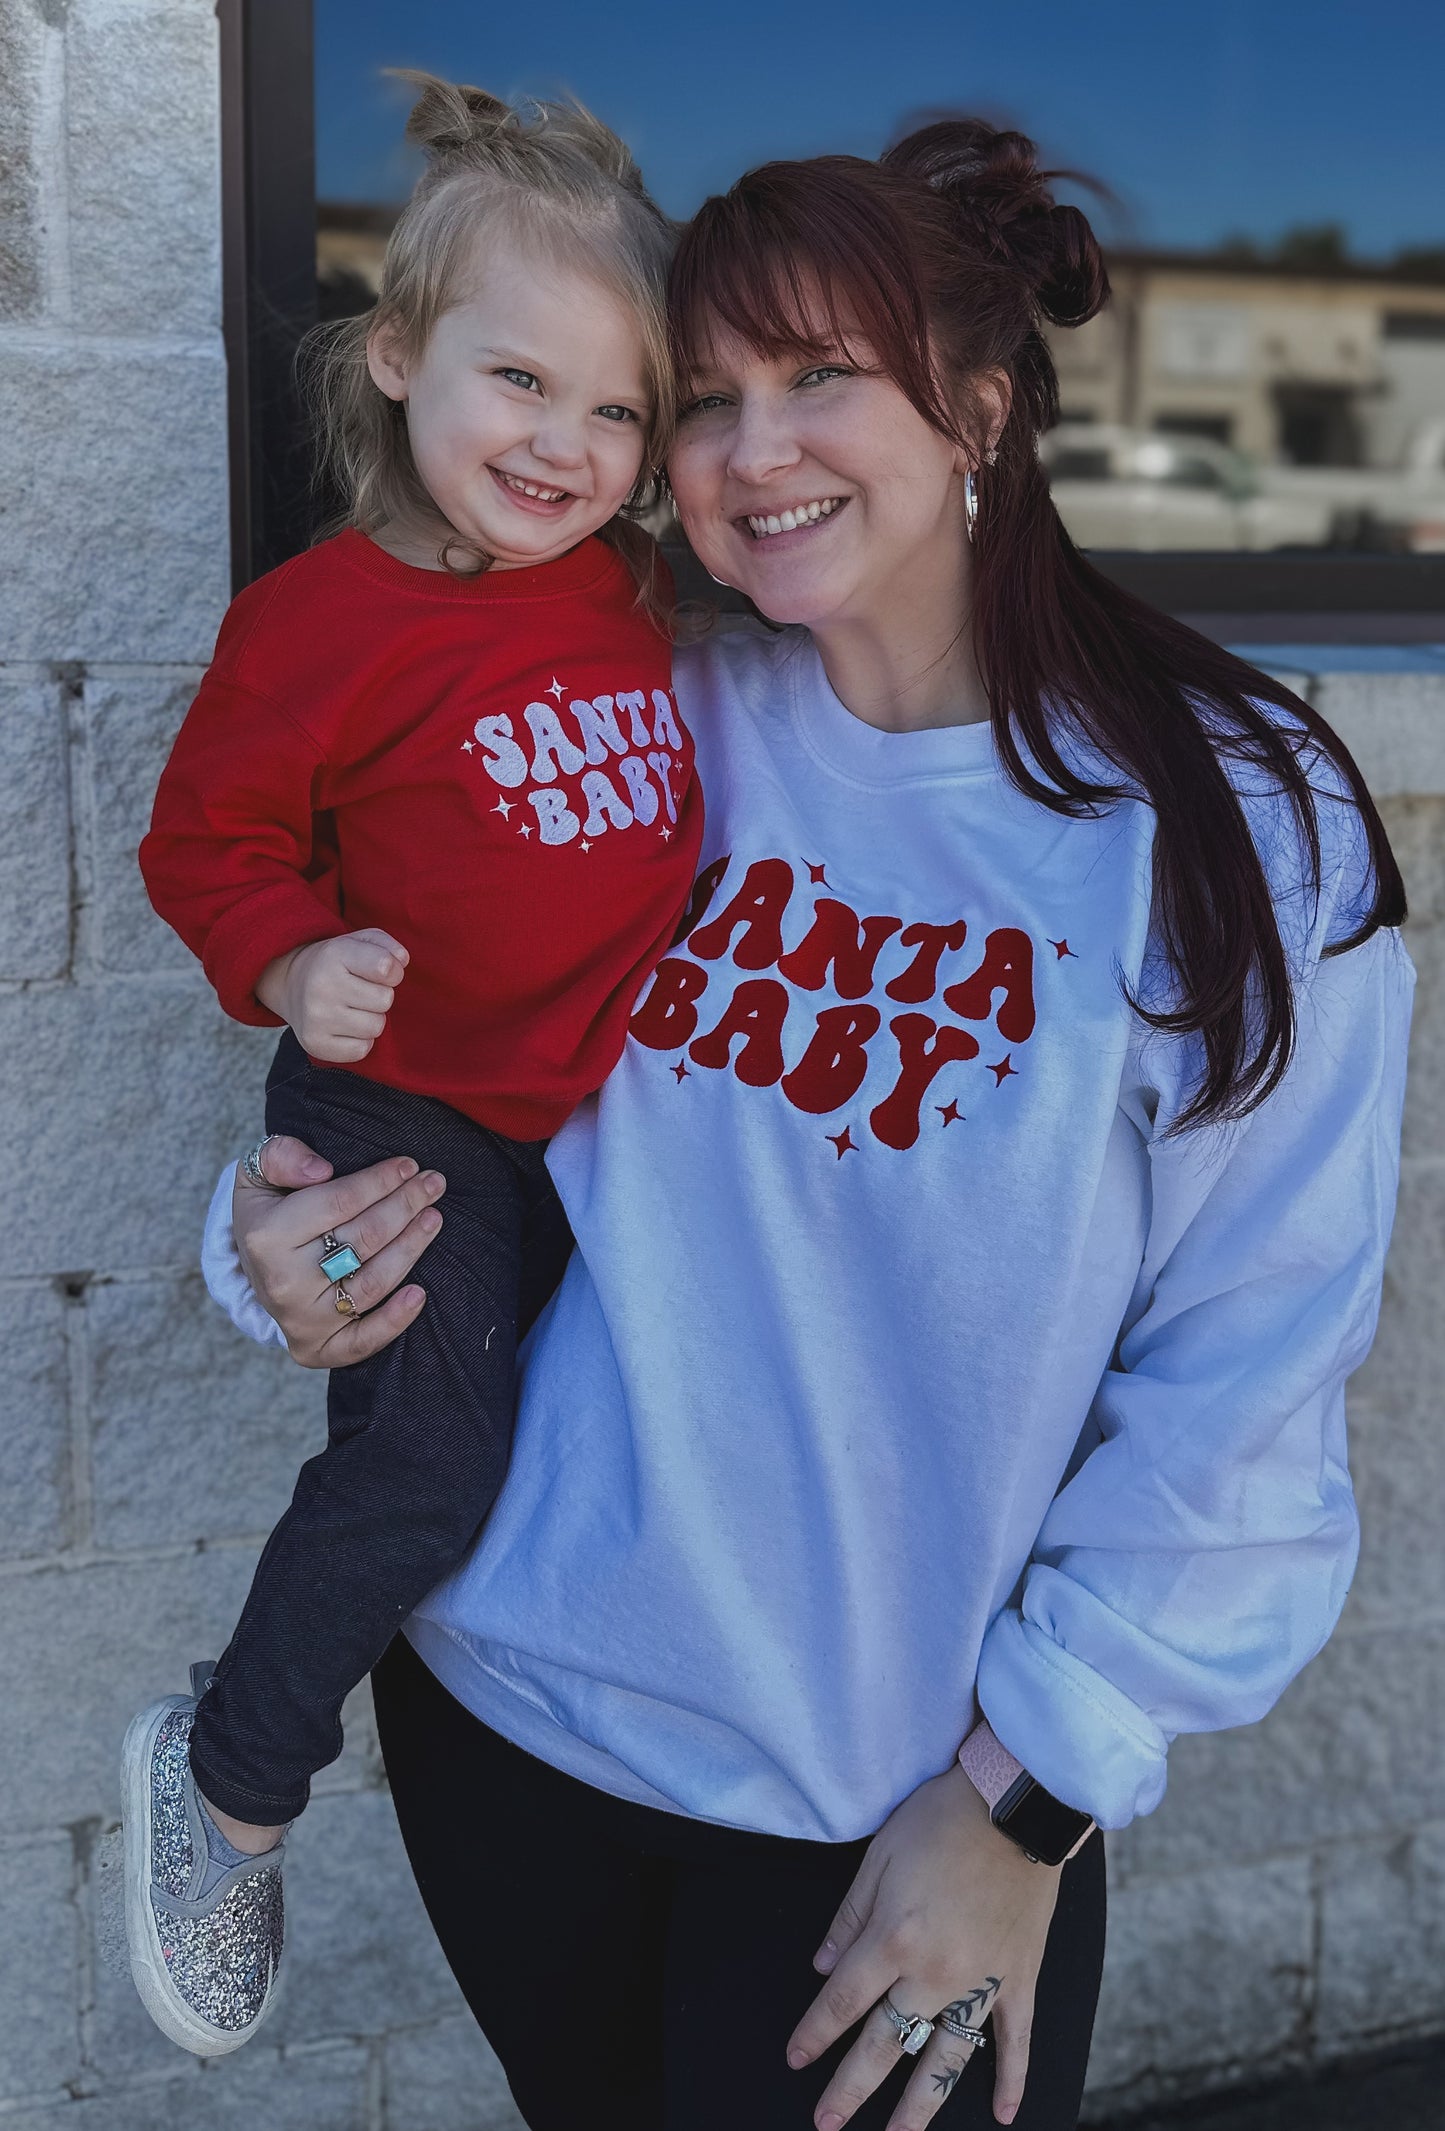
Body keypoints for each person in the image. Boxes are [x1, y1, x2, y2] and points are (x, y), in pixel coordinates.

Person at [200, 122, 1412, 2131]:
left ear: (986, 418)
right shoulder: (652, 706)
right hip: (517, 1715)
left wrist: (1020, 1807)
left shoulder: (1231, 821)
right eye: (704, 400)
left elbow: (1247, 1386)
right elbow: (417, 1041)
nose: (753, 452)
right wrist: (275, 1257)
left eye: (820, 378)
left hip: (889, 1817)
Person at [121, 75, 703, 2058]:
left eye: (616, 409)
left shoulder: (644, 602)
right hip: (400, 1115)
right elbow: (201, 847)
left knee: (567, 1476)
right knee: (436, 1469)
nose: (564, 442)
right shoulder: (317, 626)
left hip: (577, 1129)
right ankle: (226, 1776)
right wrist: (290, 958)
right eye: (520, 380)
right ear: (398, 360)